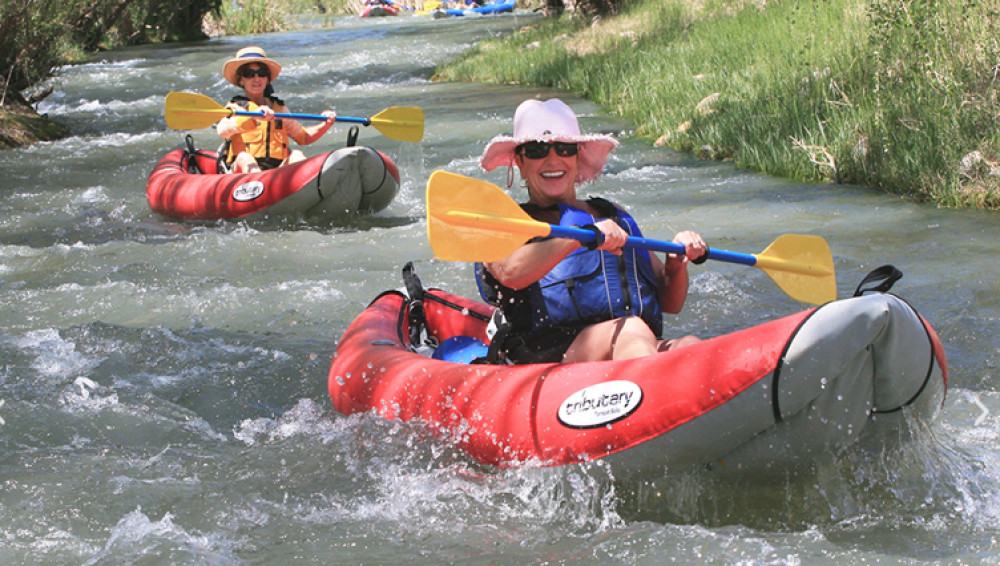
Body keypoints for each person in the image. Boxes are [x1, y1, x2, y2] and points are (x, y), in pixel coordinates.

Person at [475, 98, 708, 364]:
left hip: (627, 343)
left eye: (564, 149)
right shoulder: (504, 222)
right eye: (537, 150)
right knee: (631, 329)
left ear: (577, 157)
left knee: (689, 345)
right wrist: (577, 238)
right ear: (520, 161)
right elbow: (510, 272)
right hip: (544, 356)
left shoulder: (611, 214)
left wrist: (676, 266)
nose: (553, 160)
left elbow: (670, 304)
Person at [216, 46, 337, 174]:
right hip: (243, 172)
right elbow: (223, 130)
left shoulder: (279, 109)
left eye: (262, 74)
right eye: (249, 74)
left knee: (296, 155)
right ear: (241, 80)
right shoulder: (235, 108)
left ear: (267, 79)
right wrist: (252, 117)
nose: (256, 79)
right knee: (245, 157)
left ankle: (306, 186)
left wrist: (326, 124)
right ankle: (258, 185)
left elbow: (304, 137)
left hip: (275, 173)